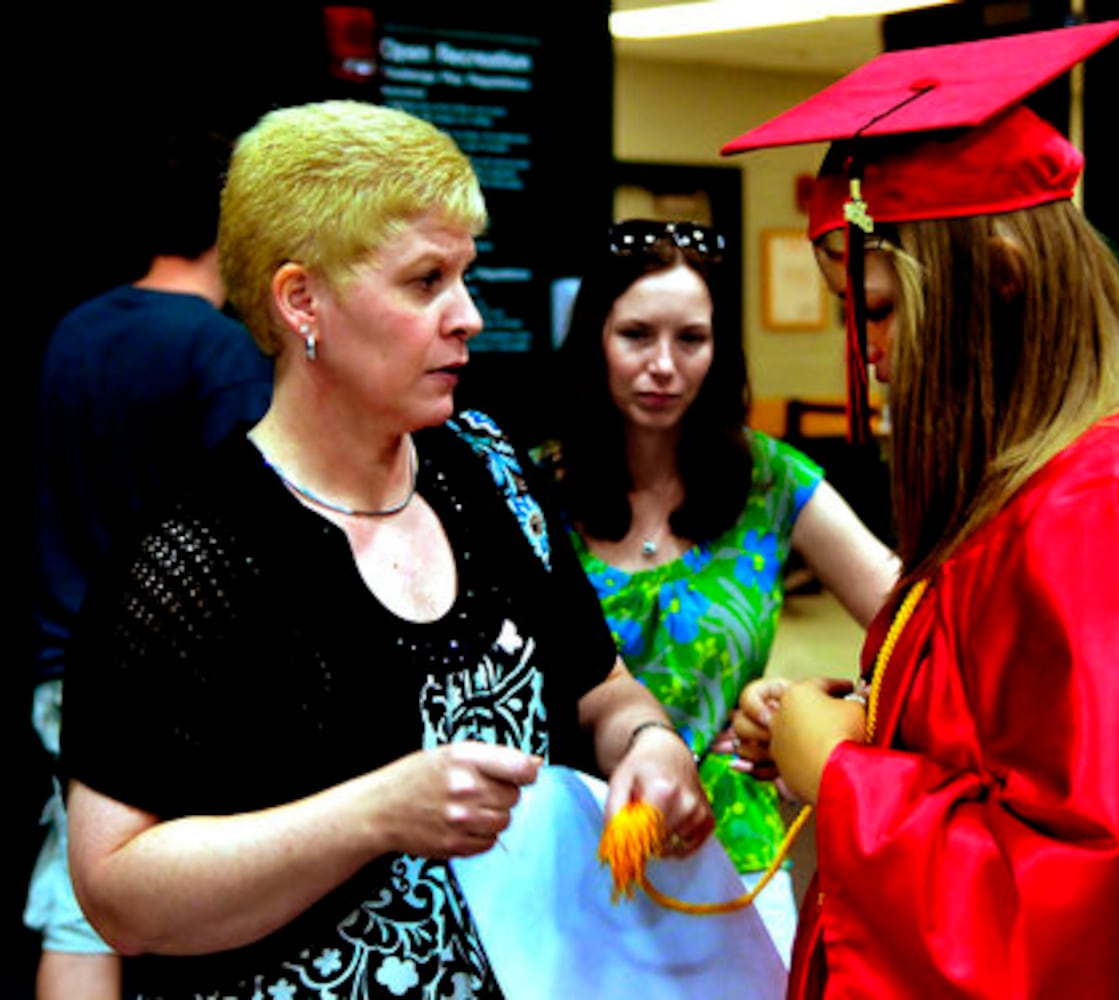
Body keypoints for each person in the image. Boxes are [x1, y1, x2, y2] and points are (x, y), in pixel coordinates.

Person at [59, 100, 710, 999]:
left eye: (466, 275)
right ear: (301, 302)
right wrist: (373, 815)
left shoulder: (488, 475)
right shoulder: (194, 559)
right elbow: (117, 890)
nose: (469, 316)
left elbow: (600, 686)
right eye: (425, 282)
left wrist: (649, 743)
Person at [724, 19, 1119, 998]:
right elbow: (1018, 756)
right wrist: (868, 726)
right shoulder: (1040, 485)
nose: (860, 353)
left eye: (876, 308)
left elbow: (1068, 902)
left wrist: (842, 775)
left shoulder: (1114, 520)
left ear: (1000, 276)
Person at [541, 218, 900, 963]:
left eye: (691, 340)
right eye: (636, 334)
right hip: (572, 849)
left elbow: (916, 623)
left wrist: (816, 712)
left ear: (719, 348)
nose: (664, 365)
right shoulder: (534, 488)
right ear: (595, 341)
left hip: (733, 856)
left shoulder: (768, 479)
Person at [26, 127, 273, 1000]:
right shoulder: (221, 354)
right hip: (176, 687)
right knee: (137, 901)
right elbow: (250, 535)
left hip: (61, 666)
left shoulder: (73, 332)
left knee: (84, 893)